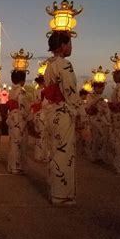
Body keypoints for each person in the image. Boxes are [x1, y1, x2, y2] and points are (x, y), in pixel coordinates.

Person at [43, 31, 88, 205]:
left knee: (55, 152)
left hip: (51, 113)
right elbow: (71, 94)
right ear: (62, 45)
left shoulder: (48, 66)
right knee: (64, 154)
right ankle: (62, 195)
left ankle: (55, 191)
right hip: (62, 114)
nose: (70, 48)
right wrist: (82, 118)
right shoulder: (64, 64)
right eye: (69, 44)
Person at [6, 70, 30, 174]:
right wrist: (28, 116)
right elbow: (22, 104)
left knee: (13, 142)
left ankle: (11, 166)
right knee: (18, 143)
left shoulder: (11, 90)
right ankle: (16, 166)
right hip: (19, 117)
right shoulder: (20, 90)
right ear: (22, 80)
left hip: (12, 117)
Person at [85, 81, 111, 163]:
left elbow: (106, 109)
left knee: (102, 138)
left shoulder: (101, 98)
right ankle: (93, 156)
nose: (102, 90)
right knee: (94, 138)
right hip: (93, 120)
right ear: (96, 88)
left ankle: (101, 156)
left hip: (102, 120)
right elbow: (89, 106)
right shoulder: (90, 96)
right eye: (101, 88)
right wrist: (97, 99)